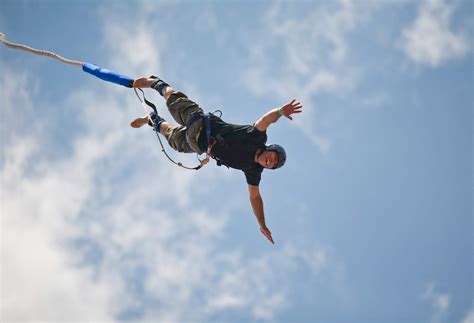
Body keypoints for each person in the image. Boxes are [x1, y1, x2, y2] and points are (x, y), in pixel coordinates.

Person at [131, 76, 302, 244]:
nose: (270, 162)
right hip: (200, 123)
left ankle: (152, 119)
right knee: (174, 101)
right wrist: (280, 111)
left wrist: (262, 224)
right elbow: (265, 120)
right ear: (268, 149)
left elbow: (255, 197)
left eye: (272, 164)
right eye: (272, 157)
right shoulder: (255, 138)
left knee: (175, 141)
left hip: (198, 144)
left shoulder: (253, 170)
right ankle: (155, 83)